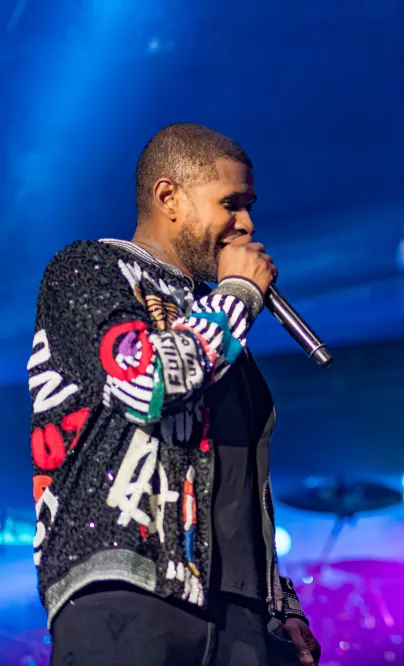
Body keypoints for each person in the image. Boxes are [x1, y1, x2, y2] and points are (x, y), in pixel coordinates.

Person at [28, 123, 322, 666]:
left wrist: (280, 606)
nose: (247, 224)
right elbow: (147, 383)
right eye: (231, 204)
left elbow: (239, 483)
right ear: (170, 198)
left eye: (250, 206)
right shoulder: (91, 268)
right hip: (126, 581)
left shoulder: (216, 319)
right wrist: (237, 296)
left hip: (237, 612)